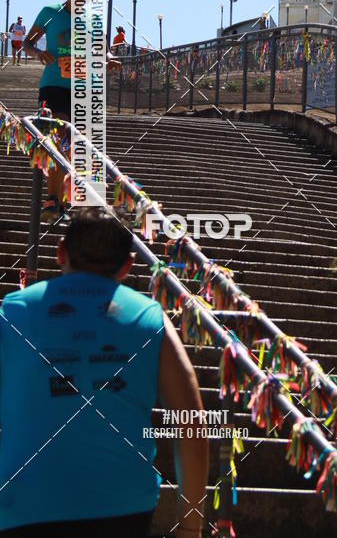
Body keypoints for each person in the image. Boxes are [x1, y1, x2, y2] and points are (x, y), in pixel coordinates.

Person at [0, 208, 209, 537]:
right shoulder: (149, 318)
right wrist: (191, 527)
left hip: (24, 502)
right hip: (122, 506)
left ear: (60, 252)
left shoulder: (13, 310)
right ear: (127, 265)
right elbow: (191, 422)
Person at [22, 0, 119, 221]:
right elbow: (28, 43)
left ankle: (61, 202)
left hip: (84, 87)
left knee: (75, 146)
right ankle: (52, 200)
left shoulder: (93, 18)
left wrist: (108, 60)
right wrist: (38, 54)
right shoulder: (49, 12)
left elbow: (103, 51)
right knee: (58, 138)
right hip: (54, 85)